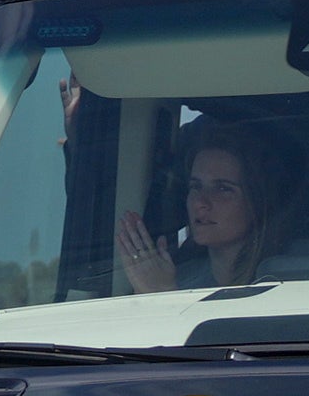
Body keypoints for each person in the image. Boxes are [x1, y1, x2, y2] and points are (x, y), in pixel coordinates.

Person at [114, 120, 295, 295]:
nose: (200, 202)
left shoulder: (298, 272)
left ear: (258, 200)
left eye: (223, 188)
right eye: (196, 186)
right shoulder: (179, 277)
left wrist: (163, 295)